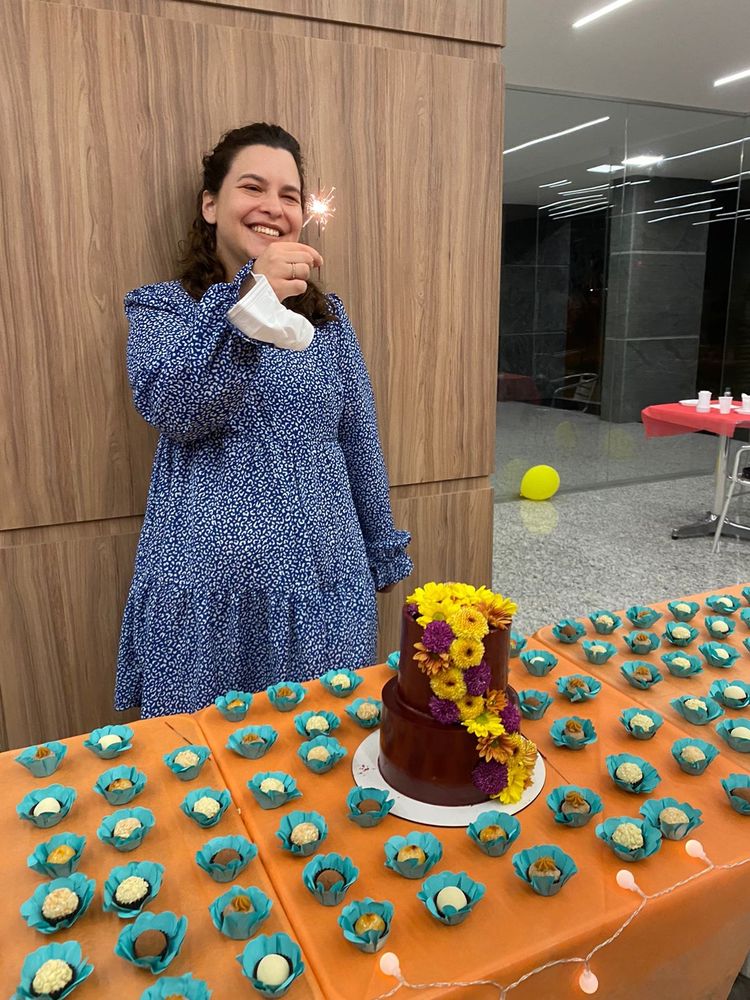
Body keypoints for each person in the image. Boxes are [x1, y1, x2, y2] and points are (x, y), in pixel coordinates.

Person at [115, 122, 412, 718]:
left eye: (290, 195)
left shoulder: (328, 320)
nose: (273, 209)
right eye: (253, 188)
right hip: (207, 597)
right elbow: (176, 409)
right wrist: (248, 302)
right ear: (210, 204)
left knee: (320, 758)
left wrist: (381, 547)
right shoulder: (163, 308)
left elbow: (358, 438)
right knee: (207, 772)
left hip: (321, 585)